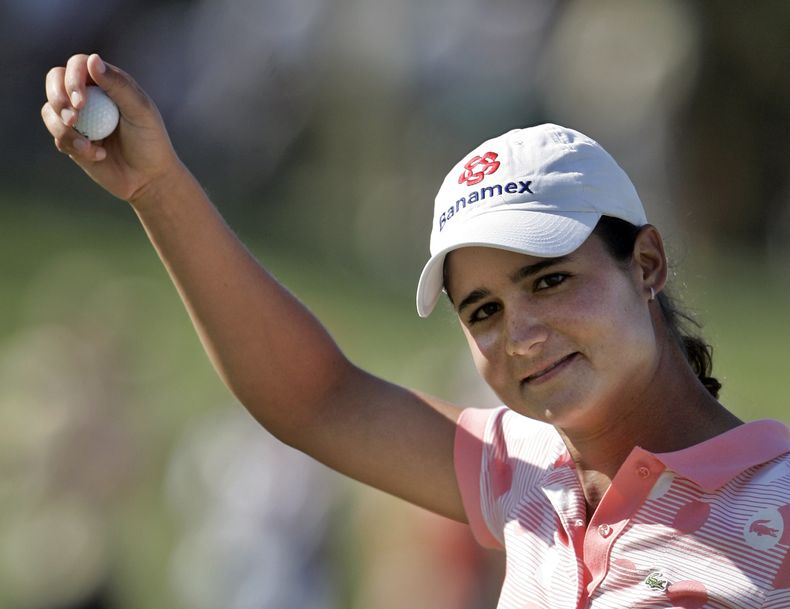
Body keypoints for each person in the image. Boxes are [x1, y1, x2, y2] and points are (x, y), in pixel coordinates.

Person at [42, 53, 790, 608]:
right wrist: (157, 187)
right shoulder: (528, 471)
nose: (522, 335)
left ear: (647, 264)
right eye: (484, 310)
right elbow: (318, 400)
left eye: (551, 279)